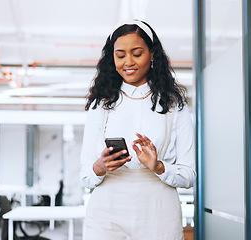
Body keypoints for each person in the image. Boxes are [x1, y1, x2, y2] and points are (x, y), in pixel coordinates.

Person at [80, 19, 196, 240]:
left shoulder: (174, 105)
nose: (128, 62)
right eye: (120, 55)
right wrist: (99, 166)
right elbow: (85, 176)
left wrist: (159, 166)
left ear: (152, 54)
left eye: (137, 53)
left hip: (159, 211)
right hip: (106, 212)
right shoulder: (101, 104)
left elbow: (189, 175)